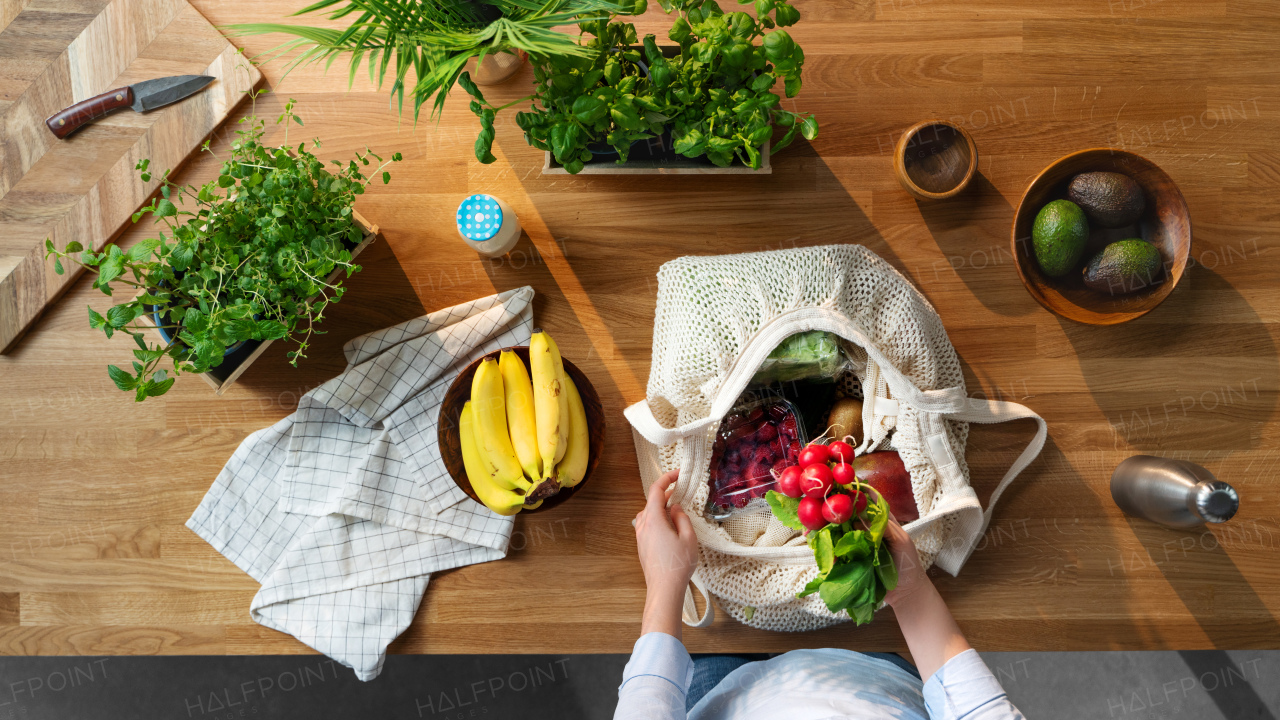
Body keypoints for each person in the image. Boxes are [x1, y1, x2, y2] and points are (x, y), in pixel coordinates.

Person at [615, 469, 1026, 719]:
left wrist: (665, 582)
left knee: (718, 638)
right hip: (875, 673)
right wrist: (912, 592)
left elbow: (647, 706)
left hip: (718, 696)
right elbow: (977, 710)